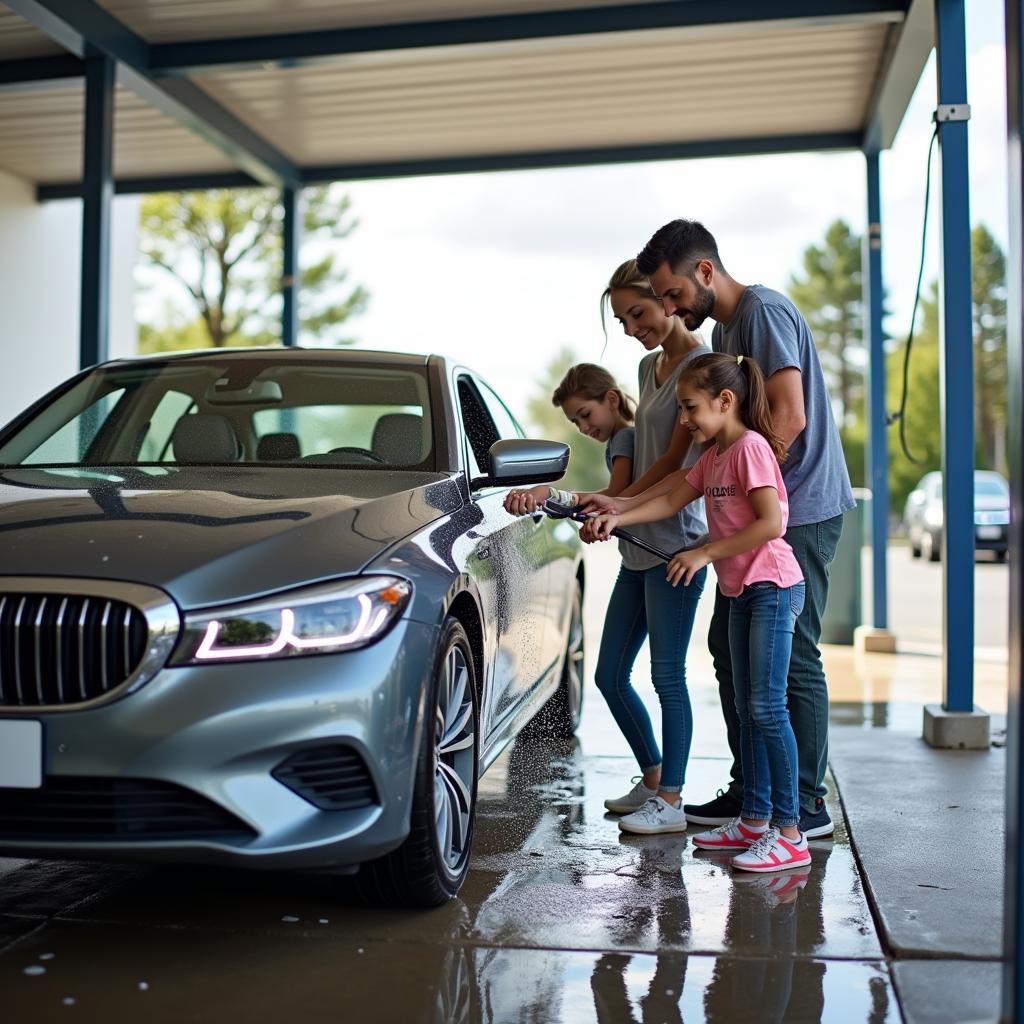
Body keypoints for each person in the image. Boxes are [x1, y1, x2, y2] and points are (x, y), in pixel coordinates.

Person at [634, 219, 855, 839]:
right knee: (731, 656)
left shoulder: (763, 312)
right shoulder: (730, 327)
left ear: (705, 271)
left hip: (797, 513)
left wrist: (747, 500)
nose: (671, 308)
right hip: (764, 520)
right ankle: (753, 794)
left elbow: (788, 414)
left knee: (794, 660)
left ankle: (805, 804)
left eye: (673, 293)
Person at [591, 352, 810, 873]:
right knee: (744, 704)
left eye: (690, 408)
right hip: (740, 591)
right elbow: (667, 502)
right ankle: (755, 820)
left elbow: (771, 523)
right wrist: (615, 513)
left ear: (724, 401)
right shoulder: (713, 457)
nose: (684, 420)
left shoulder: (751, 449)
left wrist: (704, 552)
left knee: (766, 707)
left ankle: (790, 831)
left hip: (773, 588)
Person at [579, 260, 710, 836]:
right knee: (609, 675)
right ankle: (653, 778)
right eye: (622, 319)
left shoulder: (698, 365)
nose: (633, 327)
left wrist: (617, 505)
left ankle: (674, 802)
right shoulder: (646, 366)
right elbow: (647, 455)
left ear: (665, 300)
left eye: (639, 312)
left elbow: (675, 464)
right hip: (636, 548)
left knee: (669, 678)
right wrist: (615, 509)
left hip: (673, 548)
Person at [503, 362, 636, 517]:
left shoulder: (623, 437)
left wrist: (550, 494)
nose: (583, 428)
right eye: (575, 422)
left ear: (612, 400)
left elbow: (616, 494)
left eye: (586, 414)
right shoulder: (617, 439)